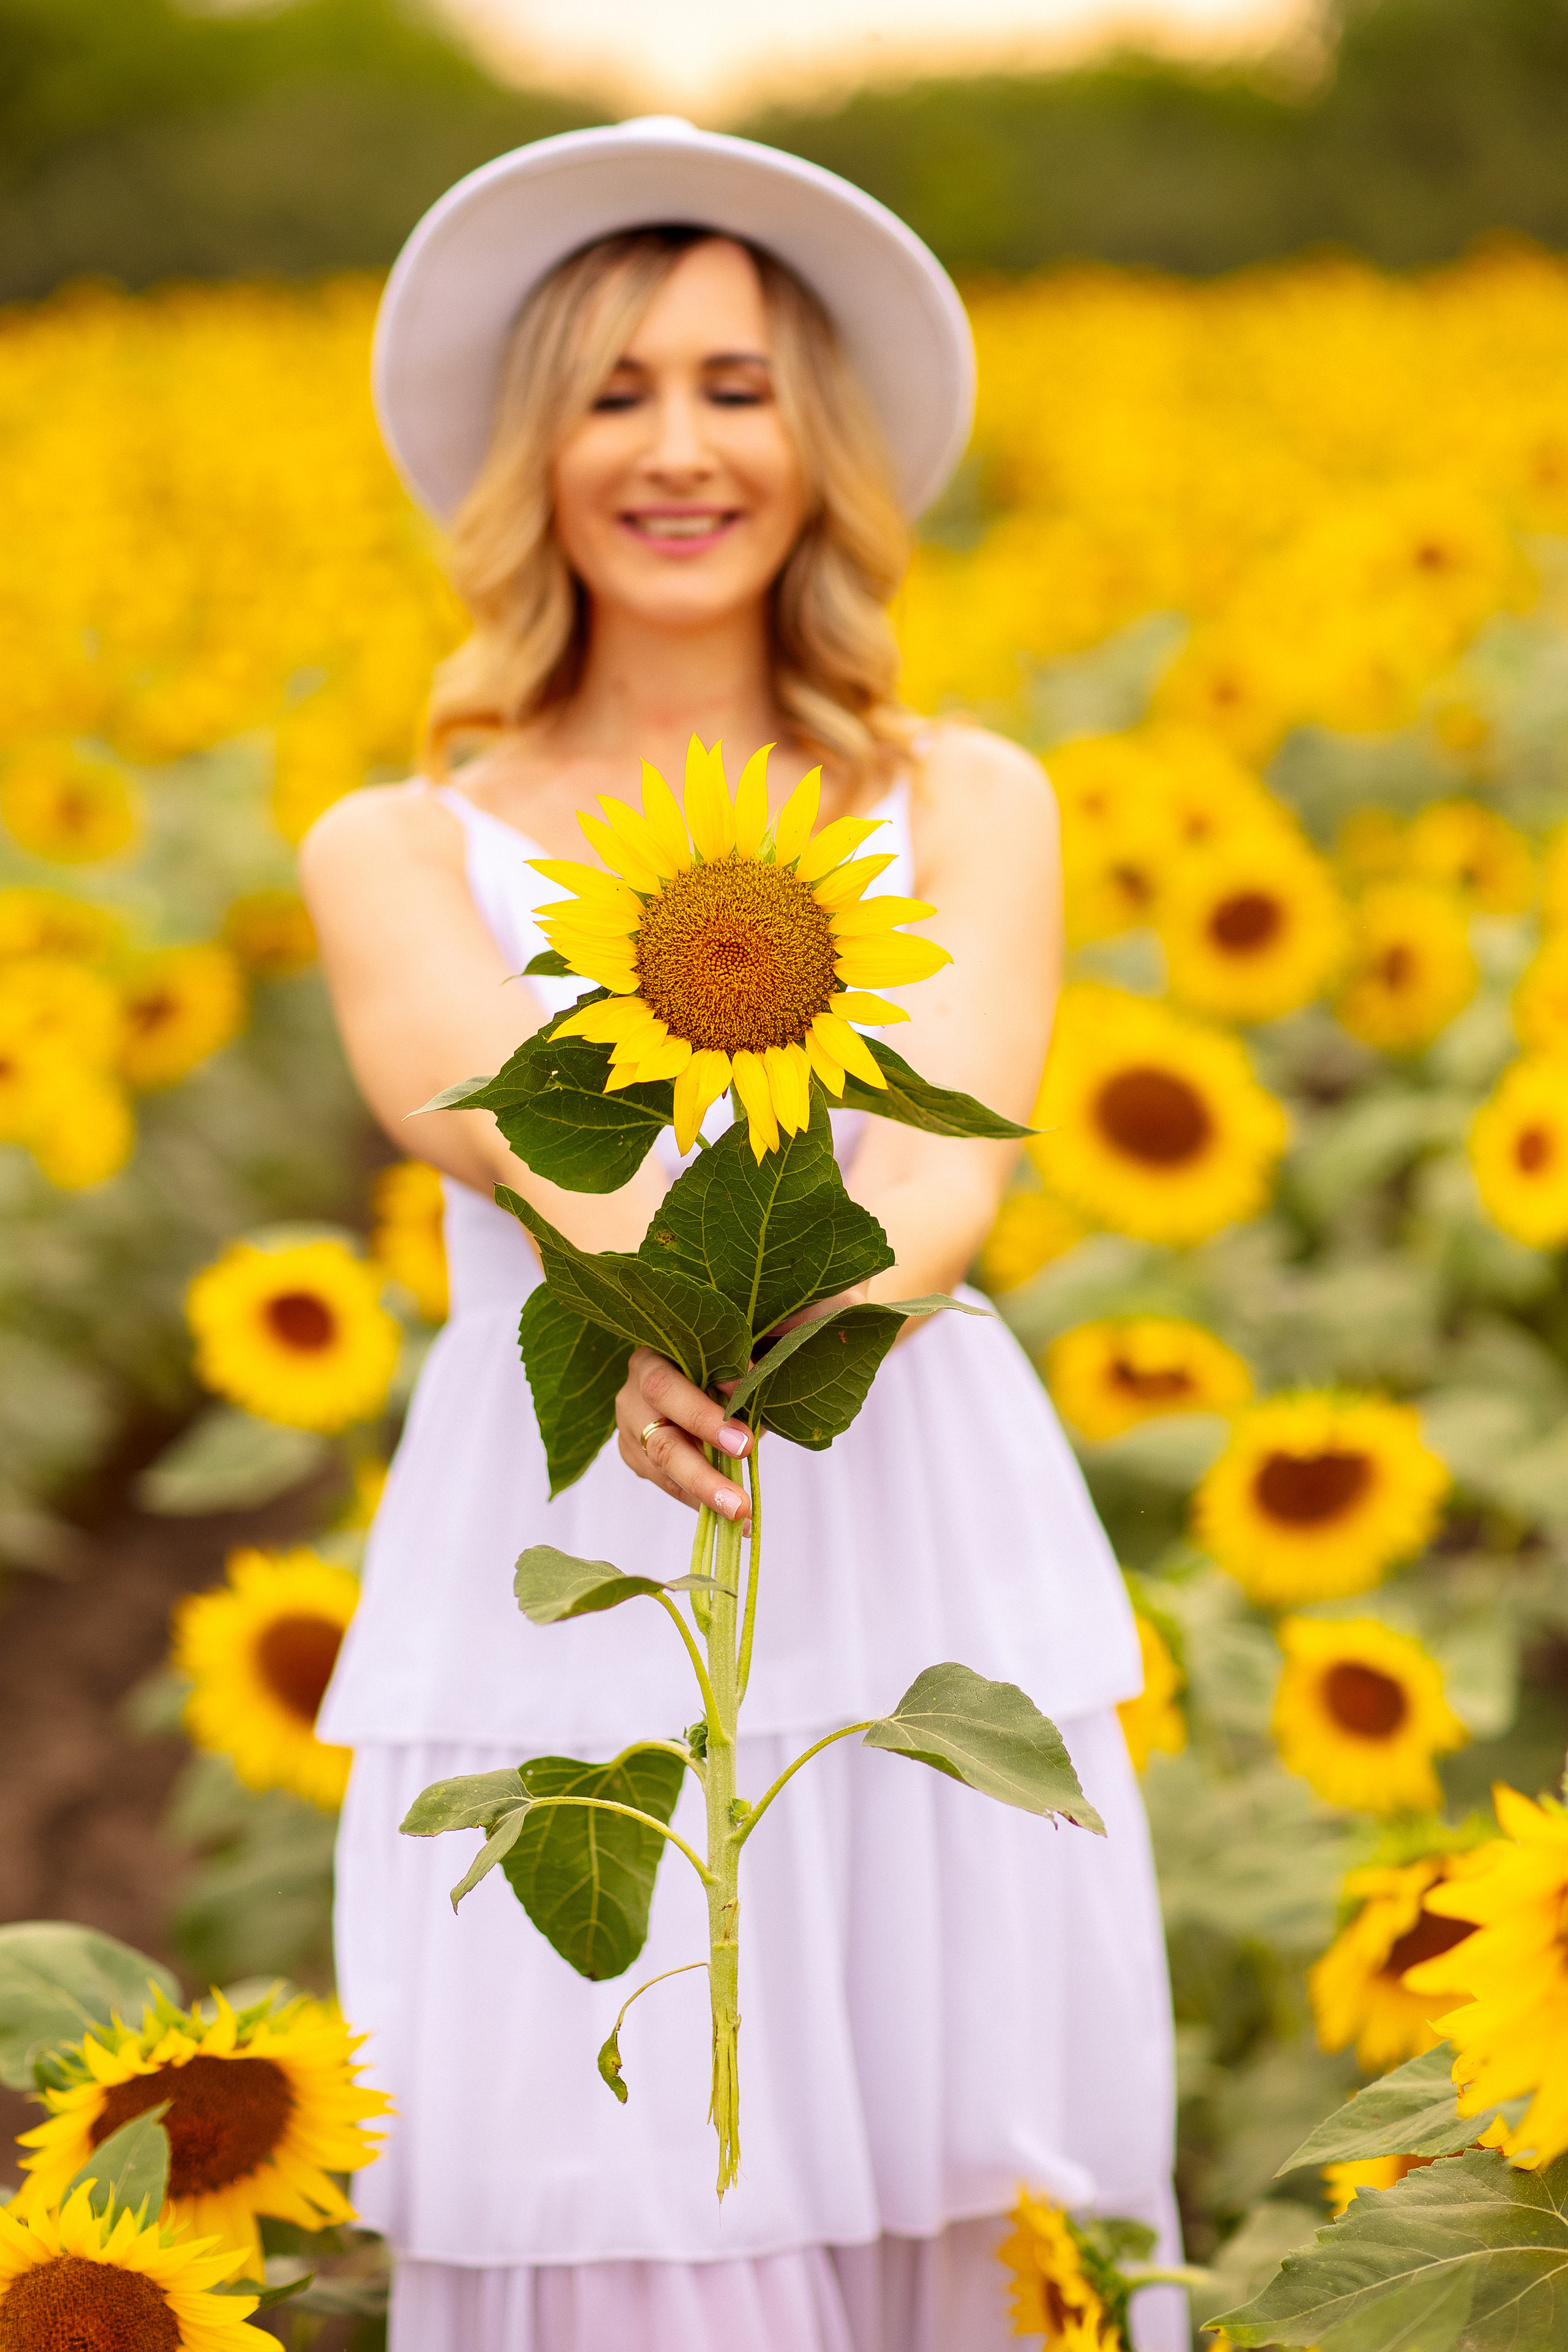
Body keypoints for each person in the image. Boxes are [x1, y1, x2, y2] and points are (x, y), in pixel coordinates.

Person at [302, 118, 1182, 2352]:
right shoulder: (395, 842)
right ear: (534, 458)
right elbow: (489, 1102)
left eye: (734, 385)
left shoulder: (962, 799)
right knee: (605, 2136)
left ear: (817, 446)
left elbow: (951, 1166)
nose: (677, 449)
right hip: (577, 1495)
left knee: (965, 2160)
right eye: (614, 393)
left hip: (902, 1519)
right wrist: (660, 1305)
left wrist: (799, 1341)